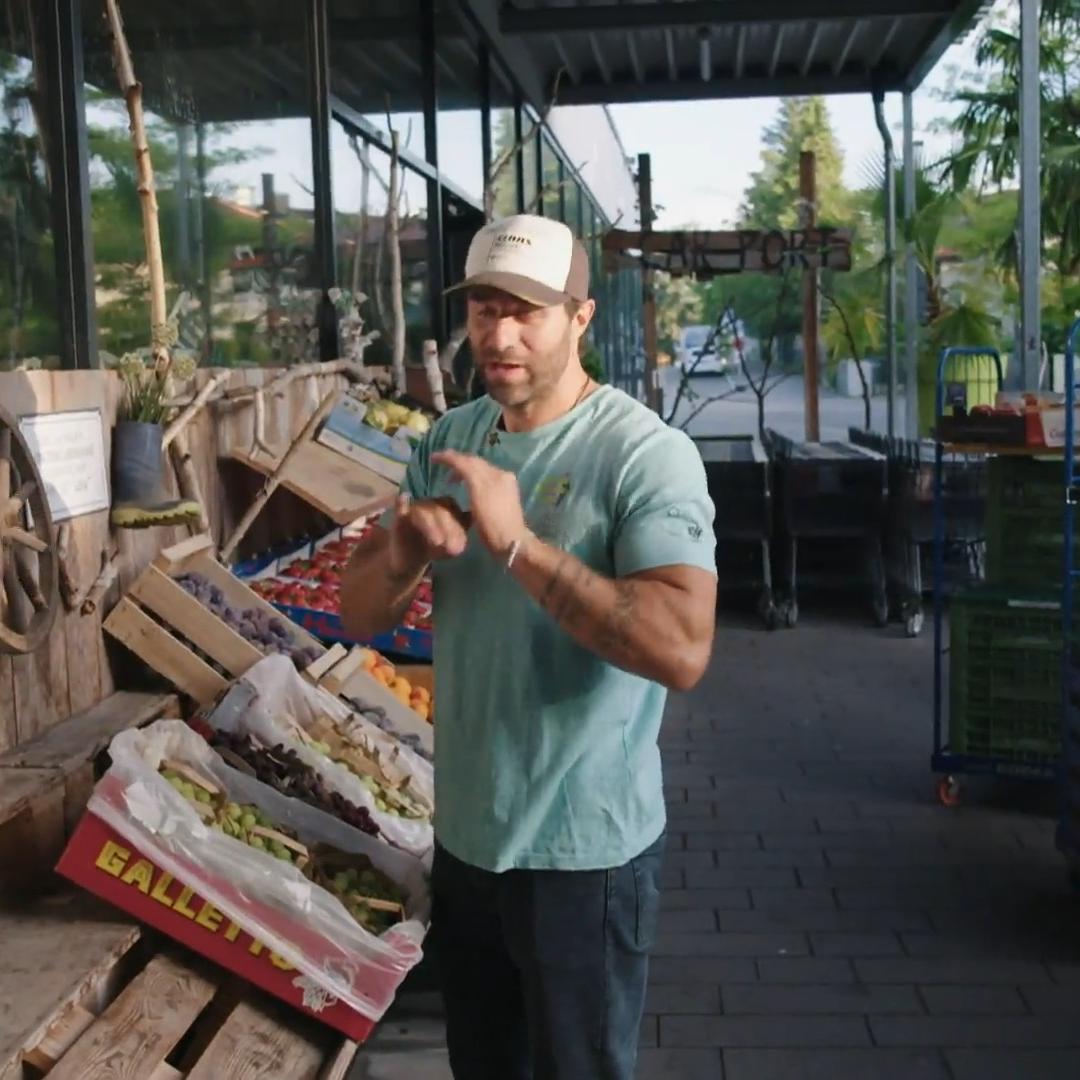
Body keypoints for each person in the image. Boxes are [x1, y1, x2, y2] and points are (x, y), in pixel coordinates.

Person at [341, 213, 717, 1080]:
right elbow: (360, 613)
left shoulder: (645, 455)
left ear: (580, 317)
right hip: (469, 842)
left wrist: (519, 545)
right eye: (482, 310)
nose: (499, 336)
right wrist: (401, 555)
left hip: (584, 857)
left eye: (528, 313)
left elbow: (682, 649)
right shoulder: (448, 439)